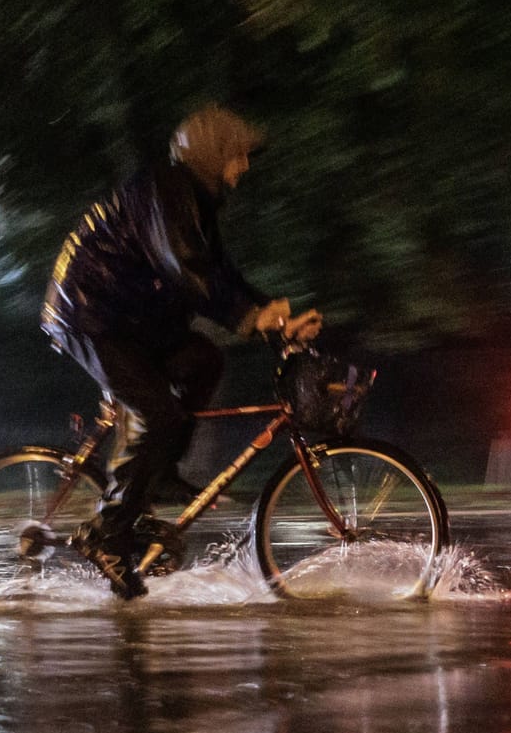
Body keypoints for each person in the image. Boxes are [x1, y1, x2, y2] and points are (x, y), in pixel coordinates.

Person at [41, 105, 320, 598]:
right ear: (212, 154)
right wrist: (246, 318)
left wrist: (267, 312)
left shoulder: (198, 201)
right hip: (91, 313)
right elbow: (181, 265)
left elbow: (218, 271)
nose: (245, 166)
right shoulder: (167, 189)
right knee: (158, 411)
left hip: (131, 319)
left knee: (204, 360)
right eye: (237, 155)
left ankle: (160, 475)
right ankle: (106, 535)